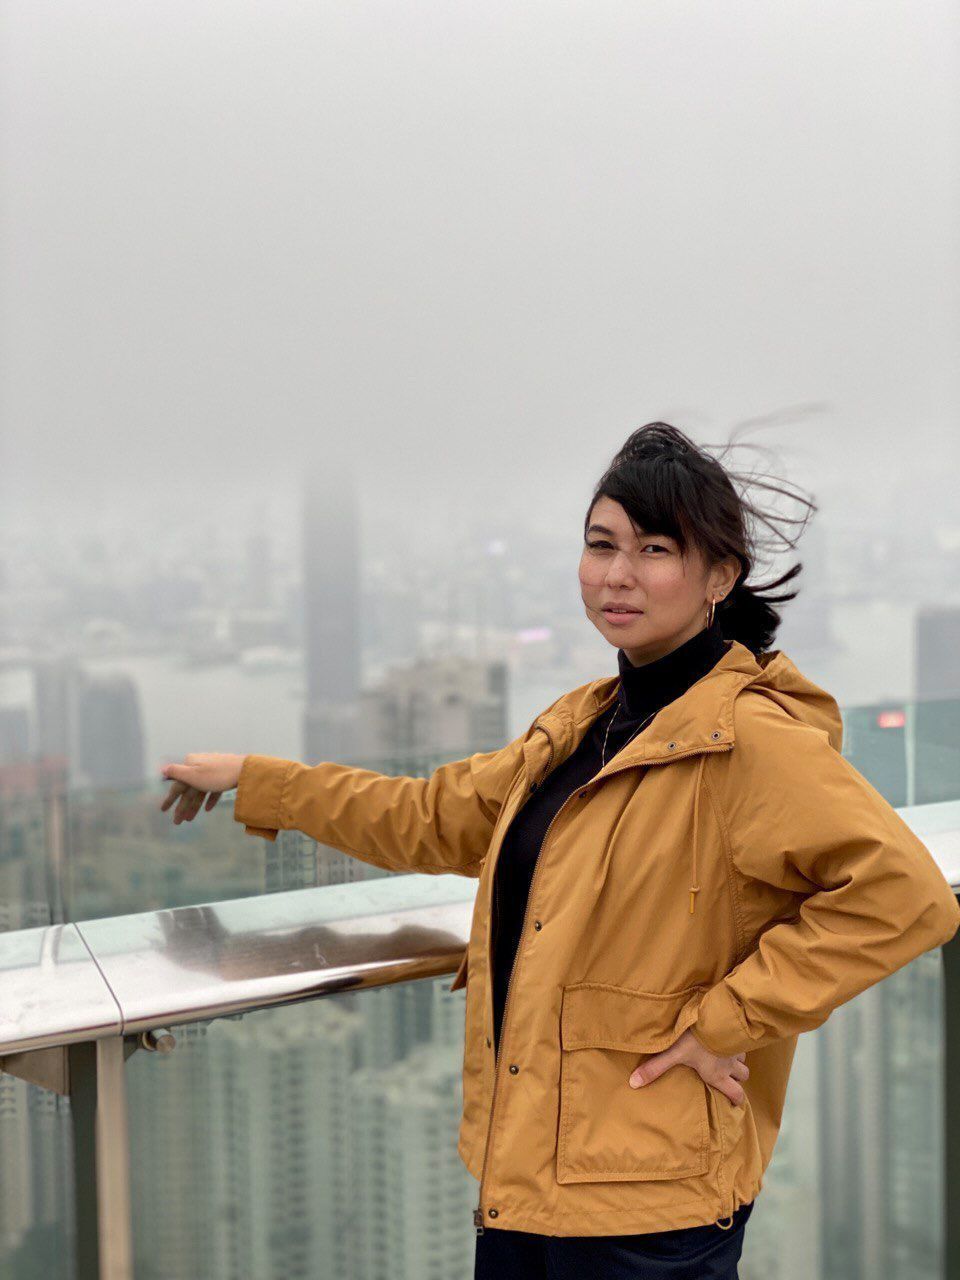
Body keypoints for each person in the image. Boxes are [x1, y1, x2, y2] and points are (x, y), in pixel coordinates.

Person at [159, 422, 960, 1280]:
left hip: (649, 1199)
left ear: (719, 576)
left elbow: (905, 896)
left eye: (655, 549)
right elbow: (435, 816)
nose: (618, 574)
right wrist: (262, 778)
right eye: (600, 544)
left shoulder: (749, 739)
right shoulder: (582, 724)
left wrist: (729, 1020)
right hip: (530, 1175)